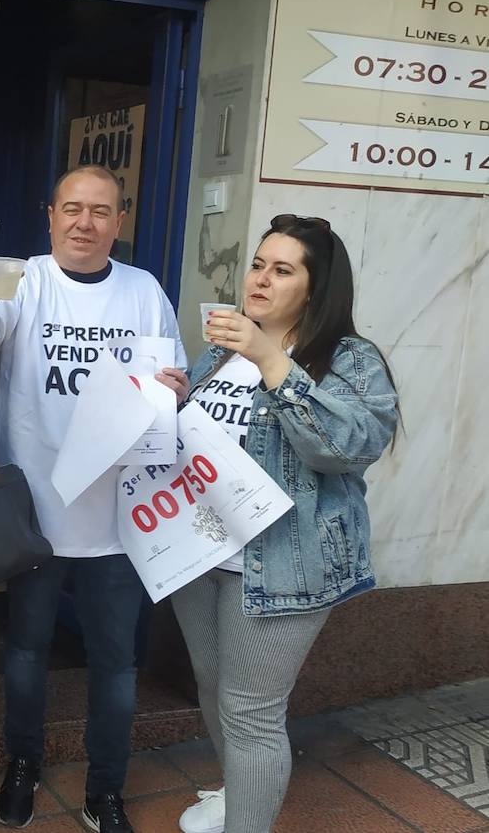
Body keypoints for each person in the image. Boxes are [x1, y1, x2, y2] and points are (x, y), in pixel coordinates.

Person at [0, 165, 188, 833]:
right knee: (26, 648)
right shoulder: (22, 279)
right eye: (73, 209)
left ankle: (104, 787)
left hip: (118, 516)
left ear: (120, 220)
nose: (86, 222)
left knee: (116, 662)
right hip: (35, 512)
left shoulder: (144, 291)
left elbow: (174, 382)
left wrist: (177, 389)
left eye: (101, 210)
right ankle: (22, 763)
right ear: (50, 215)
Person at [173, 215, 399, 833]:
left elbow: (348, 446)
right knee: (214, 688)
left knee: (251, 711)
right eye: (257, 264)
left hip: (281, 563)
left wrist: (272, 357)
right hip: (199, 553)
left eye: (282, 269)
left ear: (315, 286)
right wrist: (170, 399)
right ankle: (237, 794)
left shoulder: (348, 358)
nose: (261, 279)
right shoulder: (221, 347)